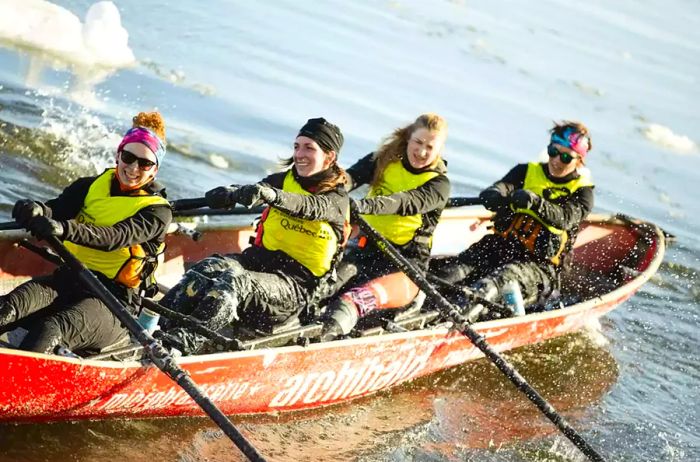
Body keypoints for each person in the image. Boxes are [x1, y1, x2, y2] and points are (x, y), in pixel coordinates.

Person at [159, 117, 349, 354]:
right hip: (258, 262)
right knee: (207, 268)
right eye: (297, 146)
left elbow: (308, 206)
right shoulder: (281, 181)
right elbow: (255, 190)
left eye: (309, 148)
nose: (299, 154)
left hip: (294, 287)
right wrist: (230, 193)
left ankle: (179, 347)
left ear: (329, 157)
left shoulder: (337, 200)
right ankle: (158, 328)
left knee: (235, 282)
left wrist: (271, 196)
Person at [0, 111, 172, 355]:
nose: (133, 168)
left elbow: (114, 237)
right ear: (118, 155)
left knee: (50, 329)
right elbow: (56, 209)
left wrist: (64, 229)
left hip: (114, 304)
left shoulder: (157, 213)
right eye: (129, 157)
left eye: (144, 163)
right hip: (69, 278)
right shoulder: (88, 186)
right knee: (8, 307)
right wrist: (38, 209)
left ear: (154, 171)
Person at [429, 121, 594, 320]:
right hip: (498, 248)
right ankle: (418, 309)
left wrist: (535, 203)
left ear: (579, 161)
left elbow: (565, 219)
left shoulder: (583, 193)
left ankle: (453, 323)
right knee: (448, 274)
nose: (557, 160)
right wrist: (493, 196)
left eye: (566, 157)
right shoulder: (524, 171)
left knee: (490, 287)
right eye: (553, 151)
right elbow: (499, 188)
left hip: (539, 267)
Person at [321, 113, 450, 339]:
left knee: (350, 303)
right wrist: (327, 189)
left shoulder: (439, 185)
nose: (421, 152)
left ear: (439, 149)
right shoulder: (383, 159)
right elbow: (348, 179)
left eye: (430, 147)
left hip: (406, 269)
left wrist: (363, 206)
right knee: (321, 290)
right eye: (418, 143)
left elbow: (404, 202)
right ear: (409, 138)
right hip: (365, 253)